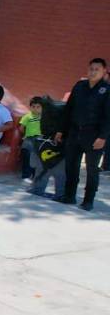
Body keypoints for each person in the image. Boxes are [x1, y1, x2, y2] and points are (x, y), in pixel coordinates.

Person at [55, 58, 110, 210]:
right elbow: (68, 109)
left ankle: (88, 200)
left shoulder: (106, 90)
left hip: (94, 135)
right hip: (74, 132)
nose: (93, 72)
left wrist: (103, 137)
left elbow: (108, 117)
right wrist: (61, 130)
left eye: (97, 69)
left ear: (104, 71)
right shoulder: (80, 86)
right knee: (71, 165)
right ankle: (69, 196)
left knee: (92, 169)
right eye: (91, 69)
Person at [18, 96, 44, 181]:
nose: (35, 109)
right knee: (26, 154)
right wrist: (25, 134)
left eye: (38, 107)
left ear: (42, 107)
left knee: (38, 157)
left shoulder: (44, 117)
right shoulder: (27, 116)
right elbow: (21, 128)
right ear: (30, 107)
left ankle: (35, 175)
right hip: (29, 138)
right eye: (33, 107)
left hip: (40, 138)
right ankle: (26, 175)